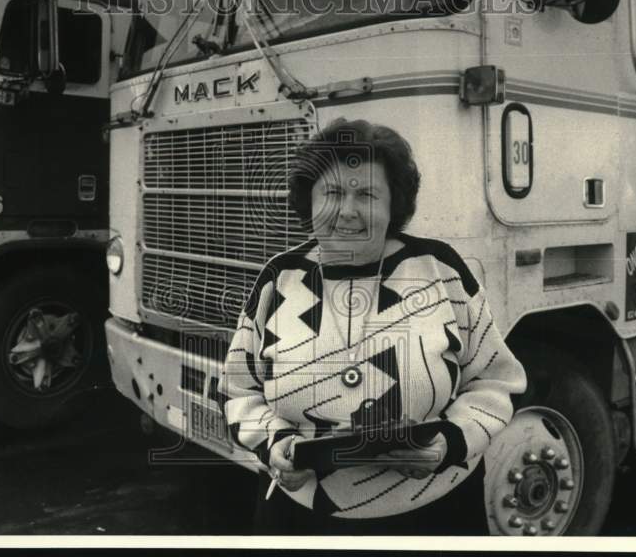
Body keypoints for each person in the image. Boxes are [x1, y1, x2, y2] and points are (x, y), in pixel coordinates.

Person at [218, 118, 527, 535]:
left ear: (393, 204)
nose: (346, 211)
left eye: (366, 194)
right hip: (304, 518)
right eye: (331, 193)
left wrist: (450, 442)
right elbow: (240, 391)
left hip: (435, 515)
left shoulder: (441, 270)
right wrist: (273, 447)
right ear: (308, 201)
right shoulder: (280, 278)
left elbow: (494, 380)